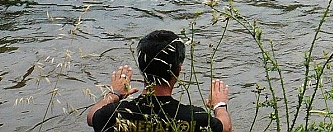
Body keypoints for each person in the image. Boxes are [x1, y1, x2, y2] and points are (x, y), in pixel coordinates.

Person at [87, 30, 233, 132]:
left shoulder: (113, 115)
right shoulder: (196, 118)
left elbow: (91, 117)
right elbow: (225, 128)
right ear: (178, 70)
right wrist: (219, 105)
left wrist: (114, 94)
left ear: (142, 69)